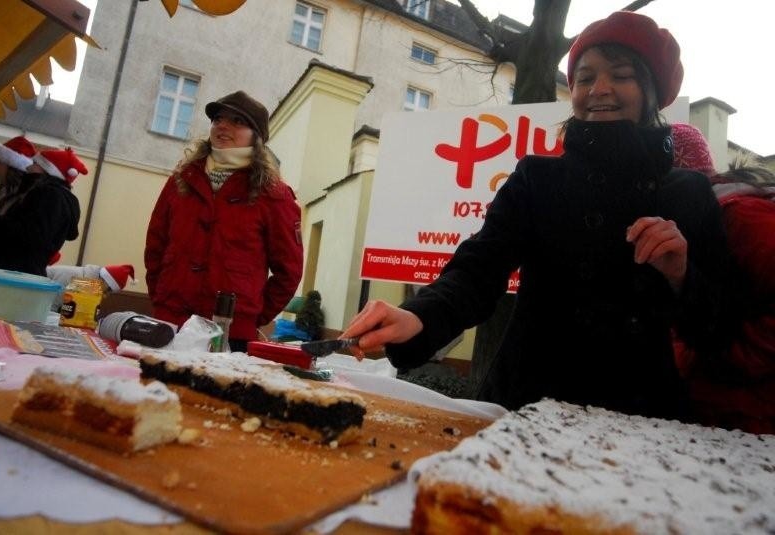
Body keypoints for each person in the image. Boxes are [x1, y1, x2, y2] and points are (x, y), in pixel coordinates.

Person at [342, 11, 729, 420]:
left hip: (639, 418)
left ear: (651, 90)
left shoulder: (689, 193)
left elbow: (719, 329)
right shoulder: (538, 178)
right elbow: (477, 271)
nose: (599, 88)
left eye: (620, 75)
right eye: (584, 78)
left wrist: (681, 276)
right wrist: (418, 316)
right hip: (527, 404)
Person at [145, 90, 303, 352]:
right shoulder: (180, 181)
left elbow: (289, 270)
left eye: (237, 121)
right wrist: (163, 298)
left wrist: (251, 315)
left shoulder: (274, 195)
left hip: (230, 334)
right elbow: (155, 247)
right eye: (218, 118)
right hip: (170, 323)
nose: (222, 125)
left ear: (257, 137)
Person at [670, 123, 775, 433]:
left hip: (754, 422)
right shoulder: (698, 224)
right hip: (723, 416)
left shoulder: (741, 218)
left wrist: (708, 352)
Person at [0, 143, 82, 276]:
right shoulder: (51, 195)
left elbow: (27, 235)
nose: (28, 166)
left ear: (47, 170)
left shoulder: (50, 195)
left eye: (35, 163)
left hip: (9, 273)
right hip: (14, 272)